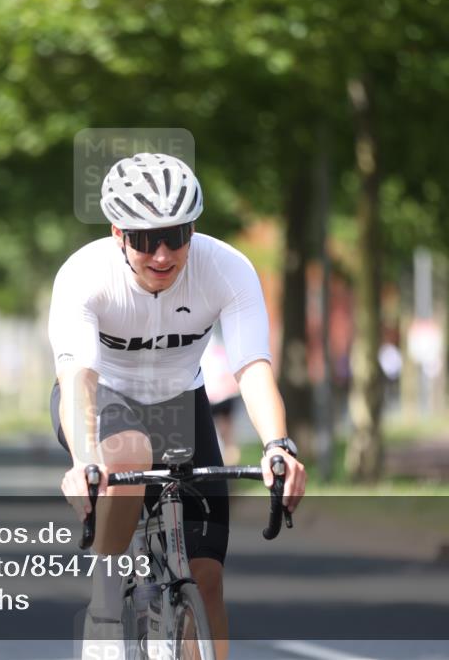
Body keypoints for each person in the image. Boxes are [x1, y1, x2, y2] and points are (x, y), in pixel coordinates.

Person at [50, 152, 306, 659]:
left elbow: (252, 367)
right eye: (146, 240)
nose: (163, 255)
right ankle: (106, 602)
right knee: (129, 451)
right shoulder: (86, 275)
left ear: (193, 230)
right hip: (105, 397)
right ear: (118, 234)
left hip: (181, 403)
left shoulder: (225, 268)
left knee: (207, 578)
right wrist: (84, 460)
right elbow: (78, 379)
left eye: (176, 236)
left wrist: (278, 445)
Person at [201, 327, 242, 465]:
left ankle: (230, 470)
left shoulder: (216, 340)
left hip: (220, 395)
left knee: (226, 438)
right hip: (213, 394)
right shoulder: (220, 339)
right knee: (224, 439)